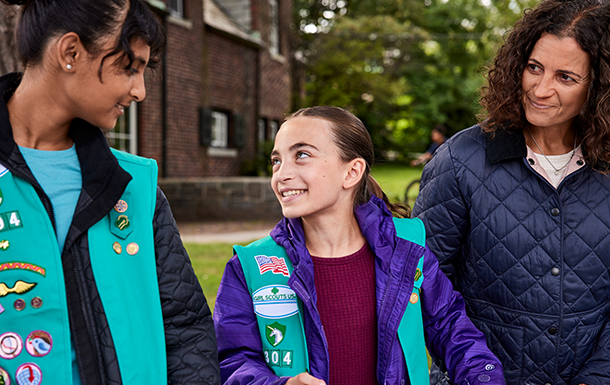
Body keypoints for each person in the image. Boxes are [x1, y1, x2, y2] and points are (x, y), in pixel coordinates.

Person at [0, 0, 220, 384]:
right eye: (128, 68)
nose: (140, 91)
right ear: (70, 52)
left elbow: (185, 328)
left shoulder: (135, 185)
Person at [214, 106, 505, 385]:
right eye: (276, 160)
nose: (281, 174)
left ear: (352, 172)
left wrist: (484, 377)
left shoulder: (405, 253)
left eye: (301, 155)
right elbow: (233, 358)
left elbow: (453, 330)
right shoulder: (251, 265)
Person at [412, 1, 610, 384]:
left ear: (599, 86)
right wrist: (477, 372)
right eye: (534, 67)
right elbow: (425, 287)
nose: (540, 88)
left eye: (566, 77)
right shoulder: (459, 160)